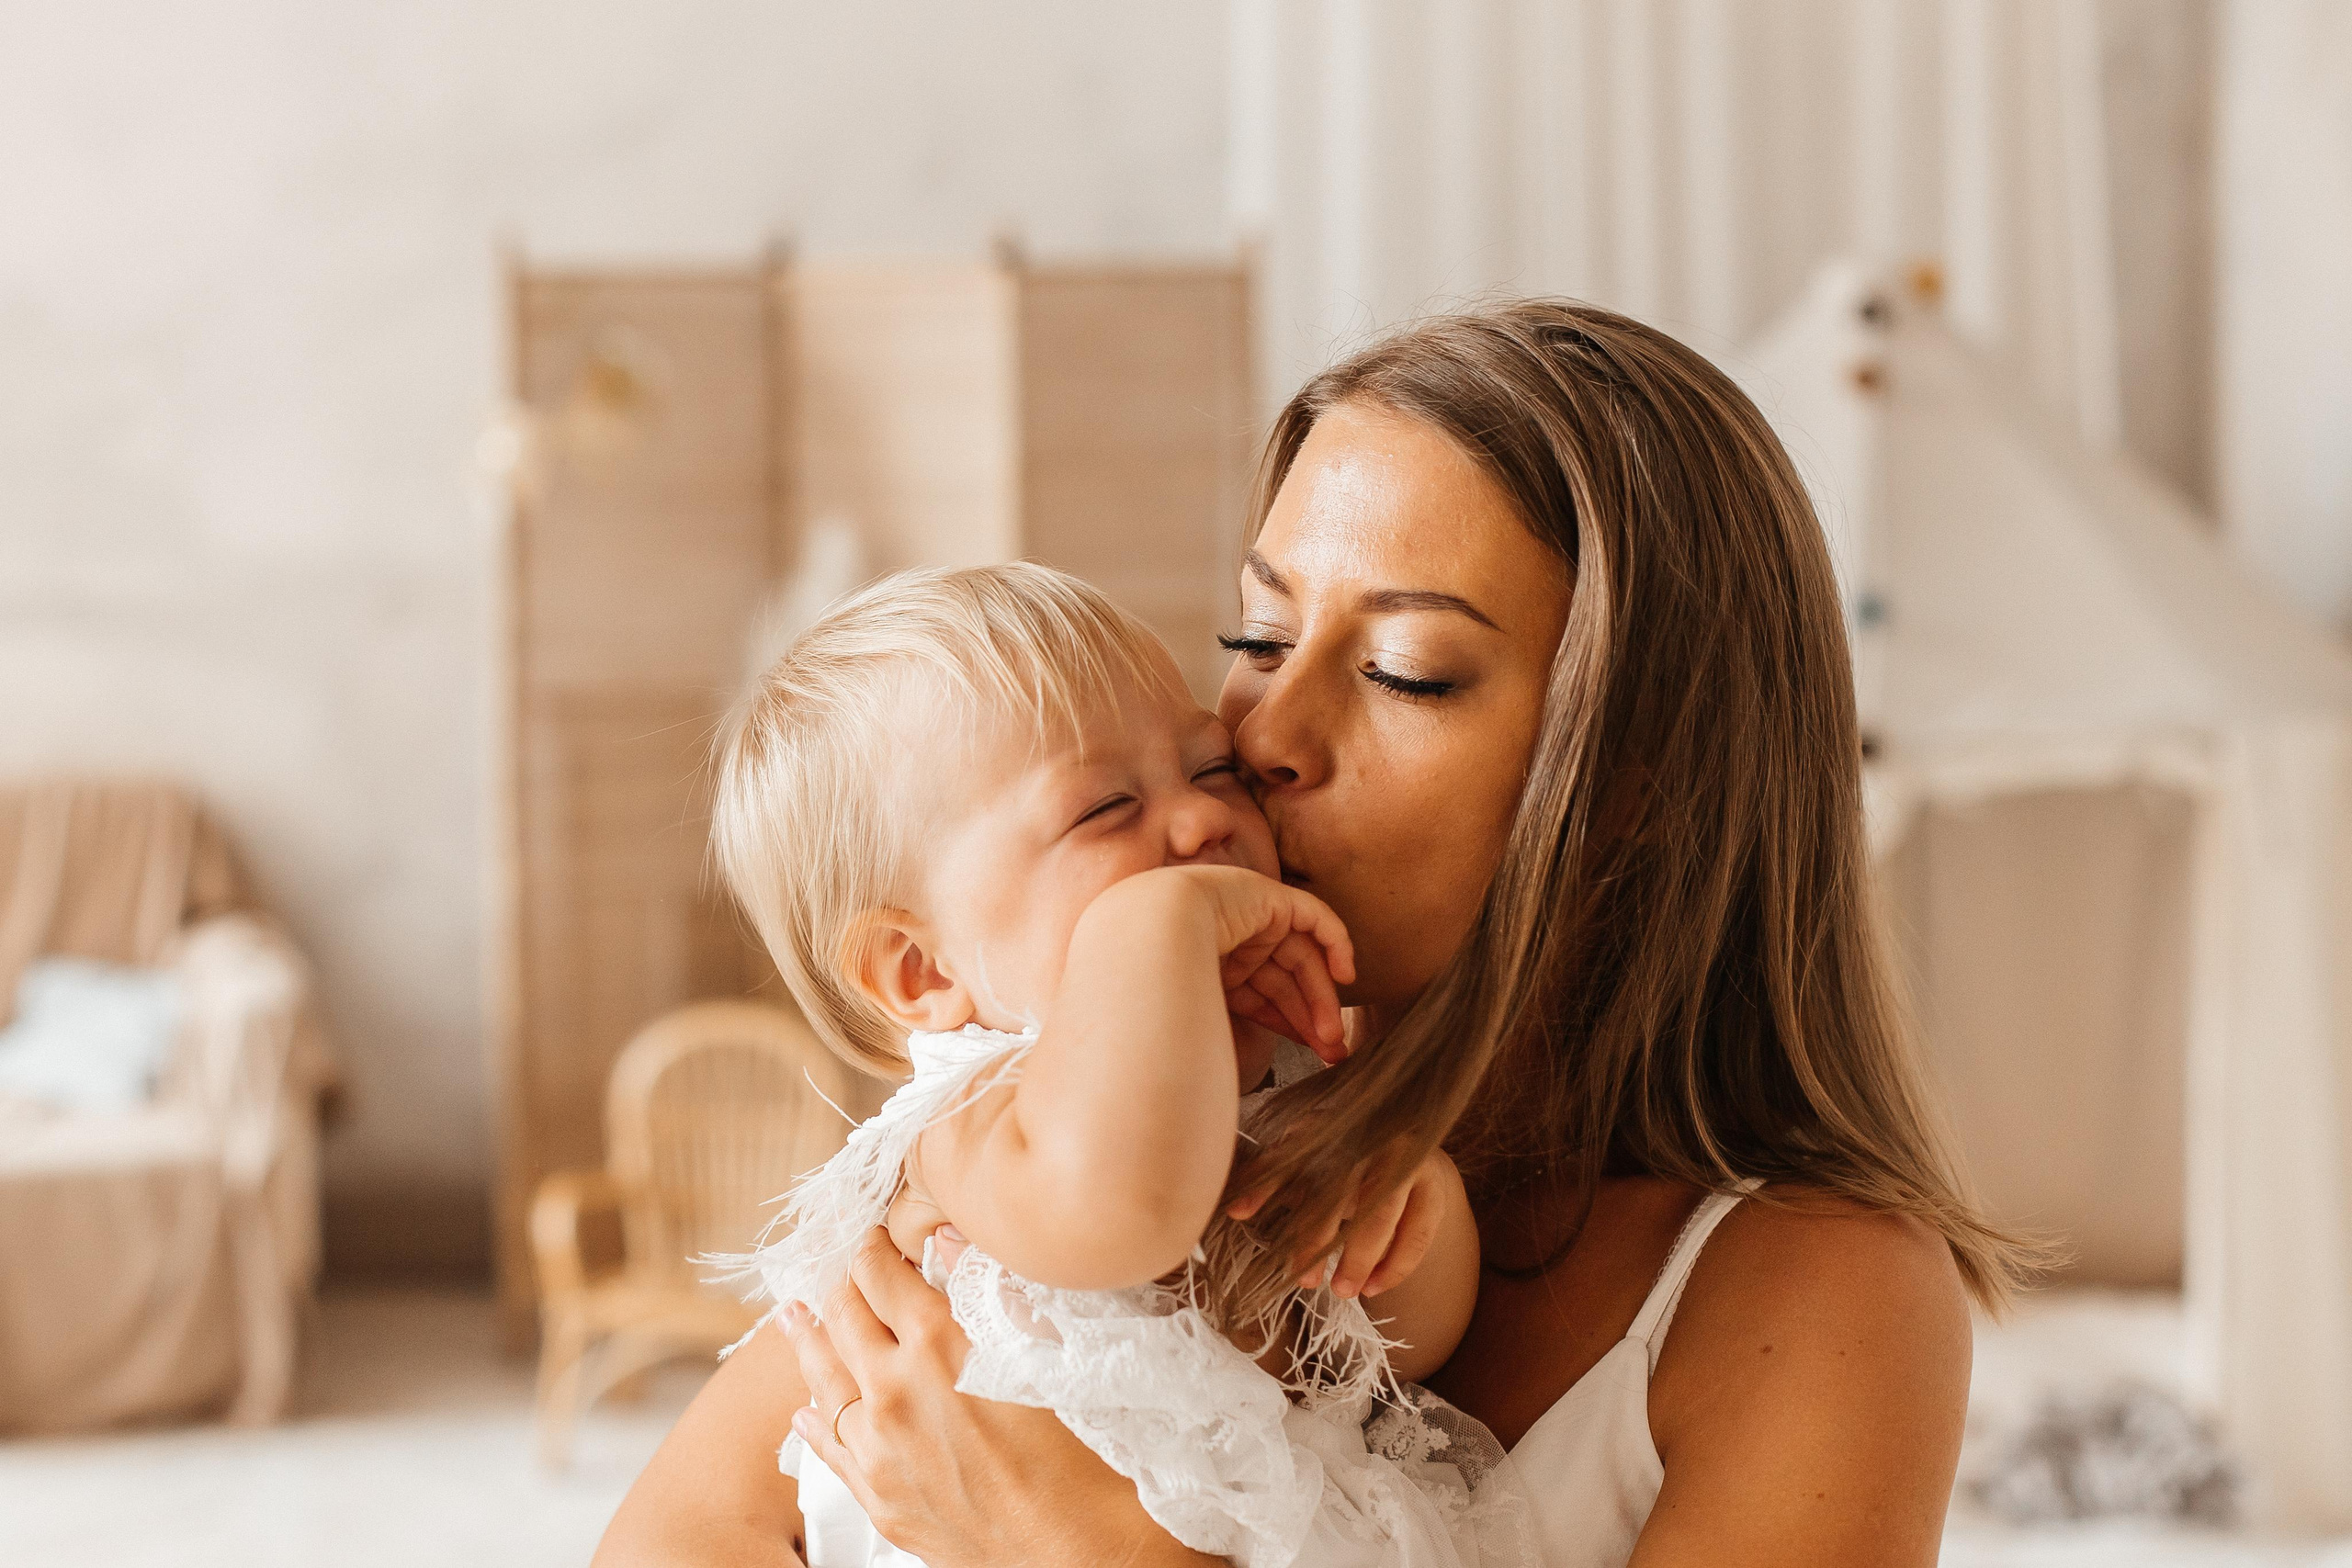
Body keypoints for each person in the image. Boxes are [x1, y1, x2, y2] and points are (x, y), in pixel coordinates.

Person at [598, 300, 2037, 1568]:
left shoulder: (1818, 1296)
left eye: (1405, 670)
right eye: (1258, 640)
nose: (1261, 739)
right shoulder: (1041, 1138)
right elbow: (676, 1528)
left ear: (1633, 784)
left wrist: (1071, 1549)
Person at [697, 561, 1533, 1568]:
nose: (1204, 823)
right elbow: (1116, 1216)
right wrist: (1165, 919)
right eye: (1104, 811)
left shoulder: (1273, 1107)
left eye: (1211, 768)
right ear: (924, 972)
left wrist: (1405, 1197)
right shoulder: (982, 1115)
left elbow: (1402, 1351)